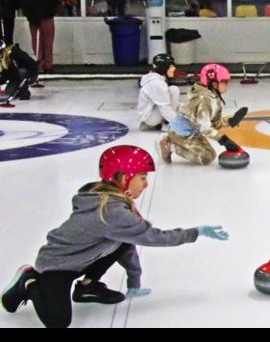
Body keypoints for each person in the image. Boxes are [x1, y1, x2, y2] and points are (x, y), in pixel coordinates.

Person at [1, 145, 229, 328]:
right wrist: (195, 232)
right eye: (141, 177)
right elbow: (153, 237)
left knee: (123, 241)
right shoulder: (112, 212)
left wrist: (134, 279)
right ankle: (29, 280)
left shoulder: (109, 198)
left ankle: (87, 287)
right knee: (58, 321)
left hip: (82, 258)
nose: (146, 183)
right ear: (122, 179)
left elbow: (130, 241)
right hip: (56, 266)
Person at [158, 63, 247, 165]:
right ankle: (170, 145)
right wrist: (223, 140)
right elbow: (205, 128)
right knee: (206, 158)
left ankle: (171, 140)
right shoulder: (204, 100)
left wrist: (230, 121)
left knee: (211, 154)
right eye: (225, 82)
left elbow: (215, 124)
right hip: (181, 131)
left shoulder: (215, 99)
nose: (227, 85)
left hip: (193, 131)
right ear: (214, 83)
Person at [18, 0, 60, 72]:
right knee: (37, 43)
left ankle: (48, 65)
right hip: (34, 21)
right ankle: (39, 64)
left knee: (48, 43)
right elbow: (25, 7)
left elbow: (54, 7)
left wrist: (45, 15)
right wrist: (32, 17)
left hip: (47, 20)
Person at [137, 53, 181, 131]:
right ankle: (168, 125)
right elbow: (164, 108)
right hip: (150, 119)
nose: (174, 68)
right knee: (174, 90)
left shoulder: (156, 80)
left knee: (172, 90)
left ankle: (166, 123)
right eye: (171, 66)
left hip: (149, 115)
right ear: (163, 68)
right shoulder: (157, 84)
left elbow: (168, 101)